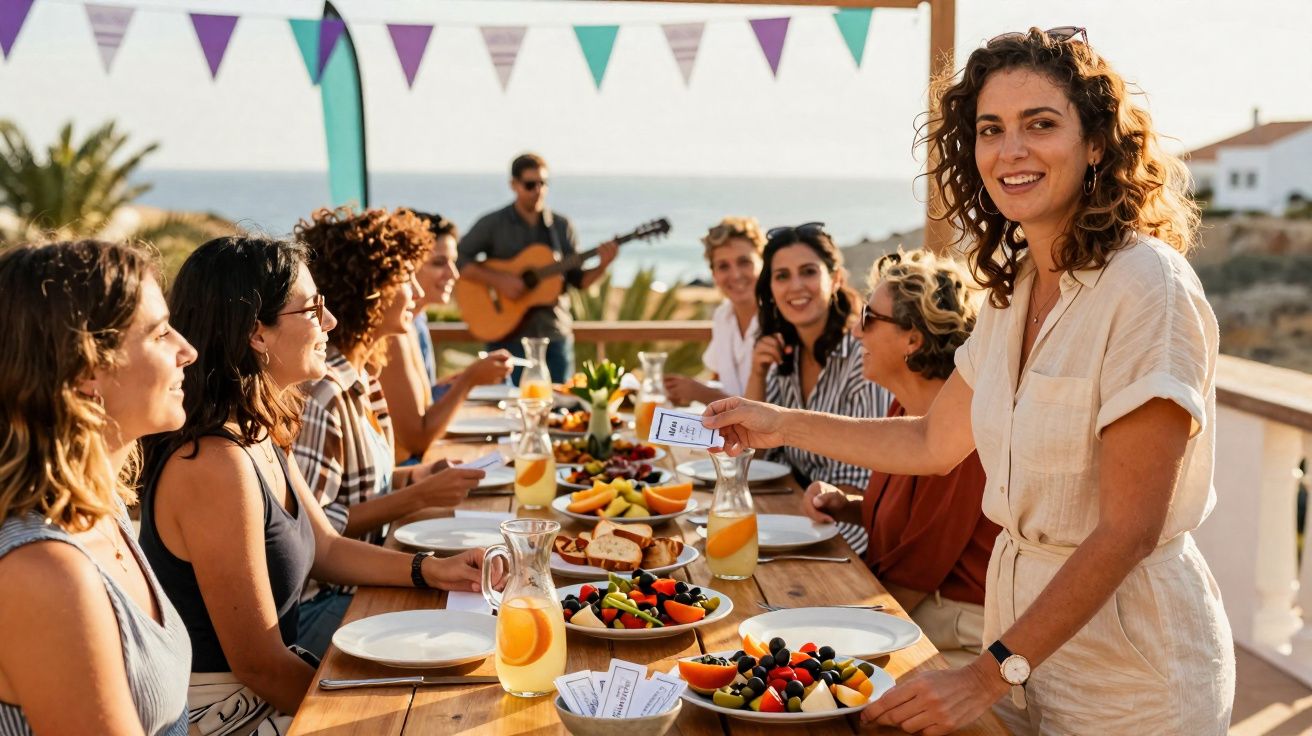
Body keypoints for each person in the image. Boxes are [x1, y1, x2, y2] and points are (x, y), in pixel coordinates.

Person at [703, 27, 1234, 735]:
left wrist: (987, 675)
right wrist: (777, 420)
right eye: (991, 130)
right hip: (1020, 657)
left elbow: (1129, 528)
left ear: (1098, 143)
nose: (1010, 150)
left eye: (1039, 124)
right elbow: (932, 439)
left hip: (1129, 679)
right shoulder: (1016, 290)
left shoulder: (1147, 288)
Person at [139, 236, 491, 731]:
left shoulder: (256, 432)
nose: (329, 322)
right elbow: (257, 664)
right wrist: (367, 718)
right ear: (256, 334)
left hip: (269, 694)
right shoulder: (214, 465)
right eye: (312, 309)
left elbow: (324, 545)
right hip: (229, 715)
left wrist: (431, 570)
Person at [0, 240, 194, 735]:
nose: (187, 351)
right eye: (160, 334)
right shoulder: (42, 569)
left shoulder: (99, 508)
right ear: (88, 371)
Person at [292, 207, 486, 655]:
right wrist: (418, 496)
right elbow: (318, 531)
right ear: (371, 291)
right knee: (467, 623)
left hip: (367, 577)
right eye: (405, 279)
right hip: (326, 601)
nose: (416, 291)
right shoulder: (323, 395)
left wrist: (414, 477)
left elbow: (354, 489)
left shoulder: (366, 378)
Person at [803, 249, 999, 668]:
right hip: (909, 604)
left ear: (914, 339)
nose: (856, 332)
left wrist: (824, 625)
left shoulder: (962, 435)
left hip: (954, 633)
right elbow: (912, 524)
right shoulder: (902, 409)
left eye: (869, 319)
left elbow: (916, 573)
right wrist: (846, 506)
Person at [746, 222, 891, 492]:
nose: (796, 286)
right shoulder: (786, 352)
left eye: (808, 272)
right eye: (782, 276)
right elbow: (752, 457)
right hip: (794, 507)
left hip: (847, 523)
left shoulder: (862, 357)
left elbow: (864, 481)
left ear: (835, 279)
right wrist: (757, 374)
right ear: (771, 289)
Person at [456, 153, 618, 381]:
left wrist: (603, 265)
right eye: (530, 184)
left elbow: (578, 281)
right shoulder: (493, 224)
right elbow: (458, 258)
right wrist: (499, 281)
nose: (538, 190)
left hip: (554, 334)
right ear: (514, 185)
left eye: (543, 183)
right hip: (505, 334)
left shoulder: (562, 226)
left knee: (560, 407)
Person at [380, 212, 513, 462]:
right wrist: (469, 380)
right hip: (407, 471)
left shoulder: (416, 320)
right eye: (439, 263)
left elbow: (419, 401)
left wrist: (466, 377)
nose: (454, 274)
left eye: (453, 262)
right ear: (406, 266)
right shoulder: (393, 333)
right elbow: (417, 439)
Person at [663, 216, 765, 405]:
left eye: (744, 262)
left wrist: (699, 393)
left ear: (763, 263)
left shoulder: (783, 320)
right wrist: (684, 391)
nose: (735, 275)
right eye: (723, 266)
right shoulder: (722, 317)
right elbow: (721, 381)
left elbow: (777, 410)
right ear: (714, 274)